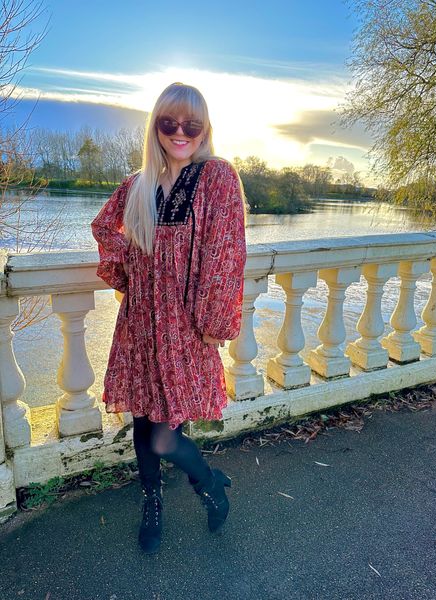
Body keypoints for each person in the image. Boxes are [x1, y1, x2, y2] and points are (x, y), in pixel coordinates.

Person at [90, 82, 248, 554]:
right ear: (156, 127)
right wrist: (133, 267)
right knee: (143, 422)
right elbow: (102, 227)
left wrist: (211, 319)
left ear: (204, 130)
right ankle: (152, 501)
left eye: (191, 124)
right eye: (169, 122)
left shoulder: (216, 177)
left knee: (165, 436)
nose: (180, 132)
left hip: (185, 330)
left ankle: (209, 486)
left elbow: (228, 254)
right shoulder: (136, 186)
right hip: (139, 327)